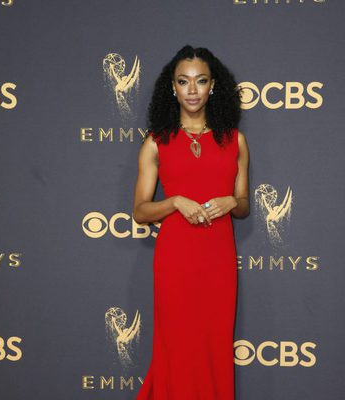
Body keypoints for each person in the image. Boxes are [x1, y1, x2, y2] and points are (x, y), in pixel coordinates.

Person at [133, 44, 250, 399]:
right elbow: (139, 211)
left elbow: (244, 206)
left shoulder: (235, 141)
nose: (193, 90)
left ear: (213, 85)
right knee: (178, 342)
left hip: (217, 259)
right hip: (176, 258)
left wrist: (232, 201)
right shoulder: (156, 142)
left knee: (213, 343)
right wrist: (173, 202)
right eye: (184, 82)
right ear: (173, 87)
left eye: (201, 81)